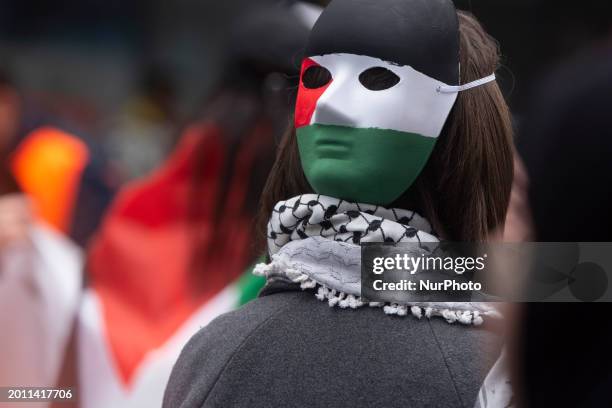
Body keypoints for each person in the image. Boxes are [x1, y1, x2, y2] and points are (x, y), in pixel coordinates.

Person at [163, 1, 514, 407]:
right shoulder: (499, 371)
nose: (329, 102)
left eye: (377, 78)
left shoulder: (211, 354)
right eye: (317, 77)